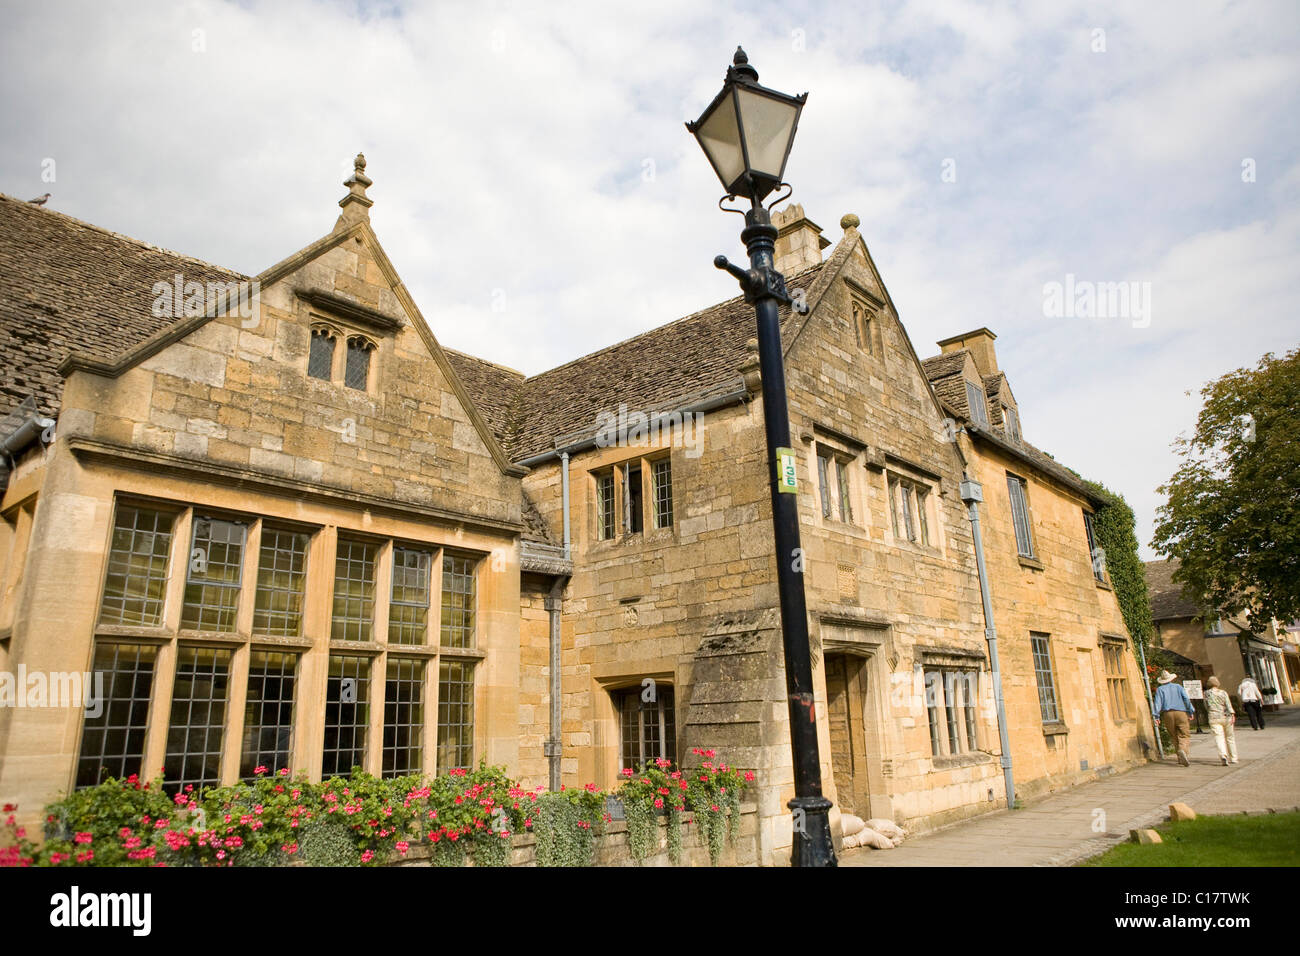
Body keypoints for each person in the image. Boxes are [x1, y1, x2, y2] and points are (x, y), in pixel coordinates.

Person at [1151, 671, 1195, 766]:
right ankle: (1182, 750)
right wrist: (1190, 711)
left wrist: (1156, 716)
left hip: (1167, 714)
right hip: (1181, 712)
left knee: (1173, 735)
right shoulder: (1178, 687)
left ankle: (1179, 758)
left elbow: (1157, 703)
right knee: (1184, 734)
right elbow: (1186, 699)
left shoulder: (1160, 689)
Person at [1203, 676, 1238, 766]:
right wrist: (1232, 714)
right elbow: (1228, 704)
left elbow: (1206, 706)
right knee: (1230, 737)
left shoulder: (1206, 693)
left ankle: (1223, 755)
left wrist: (1210, 712)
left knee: (1219, 737)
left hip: (1213, 717)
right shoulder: (1223, 692)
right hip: (1226, 716)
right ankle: (1234, 758)